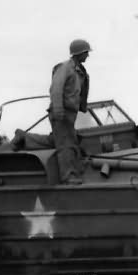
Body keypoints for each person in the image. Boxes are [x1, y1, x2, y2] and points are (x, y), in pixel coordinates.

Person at [48, 38, 92, 184]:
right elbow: (56, 89)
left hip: (69, 114)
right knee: (65, 145)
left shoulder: (79, 70)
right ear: (79, 53)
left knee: (69, 142)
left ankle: (24, 138)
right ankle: (68, 177)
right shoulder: (65, 68)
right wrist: (58, 110)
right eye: (86, 52)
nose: (88, 55)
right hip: (61, 112)